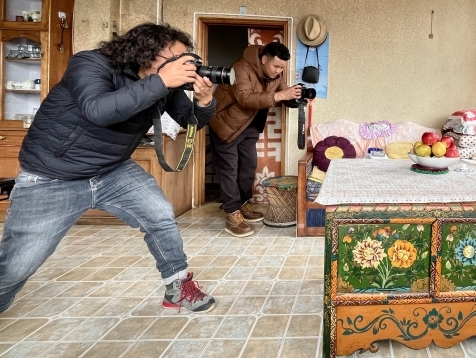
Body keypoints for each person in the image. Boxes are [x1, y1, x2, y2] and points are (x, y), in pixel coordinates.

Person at [0, 23, 218, 314]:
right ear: (145, 52)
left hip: (113, 170)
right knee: (20, 263)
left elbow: (190, 121)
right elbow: (98, 111)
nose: (182, 65)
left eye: (185, 58)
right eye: (174, 58)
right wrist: (162, 81)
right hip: (52, 176)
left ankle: (178, 288)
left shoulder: (164, 84)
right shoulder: (90, 64)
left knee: (160, 215)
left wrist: (204, 102)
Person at [209, 42, 302, 237]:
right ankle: (232, 214)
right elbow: (245, 98)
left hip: (249, 126)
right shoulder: (240, 68)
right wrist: (280, 95)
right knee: (228, 169)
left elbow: (284, 94)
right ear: (264, 59)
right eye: (276, 66)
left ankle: (242, 205)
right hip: (226, 125)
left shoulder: (275, 75)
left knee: (248, 167)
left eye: (282, 68)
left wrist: (297, 97)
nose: (278, 71)